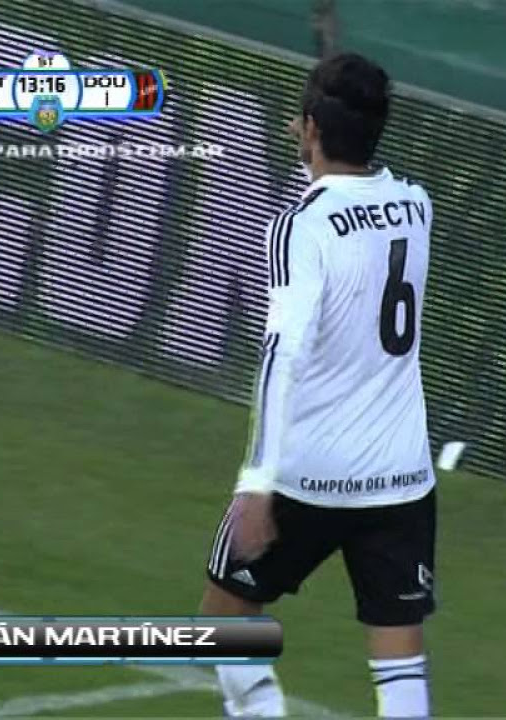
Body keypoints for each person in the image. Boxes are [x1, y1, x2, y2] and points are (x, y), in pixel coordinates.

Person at [201, 51, 437, 718]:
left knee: (223, 624)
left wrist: (256, 482)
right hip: (400, 475)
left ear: (308, 128)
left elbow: (283, 353)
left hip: (310, 472)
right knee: (401, 673)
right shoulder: (417, 208)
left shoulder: (302, 226)